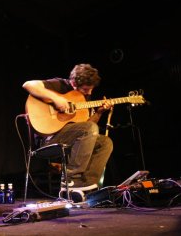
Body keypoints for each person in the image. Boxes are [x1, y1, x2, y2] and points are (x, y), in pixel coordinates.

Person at [22, 63, 113, 192]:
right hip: (48, 139)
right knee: (89, 129)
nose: (90, 92)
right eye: (86, 89)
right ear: (74, 83)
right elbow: (28, 84)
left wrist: (99, 112)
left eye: (91, 89)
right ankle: (70, 179)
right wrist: (56, 99)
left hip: (71, 139)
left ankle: (86, 183)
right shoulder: (60, 85)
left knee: (105, 142)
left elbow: (88, 127)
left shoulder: (84, 98)